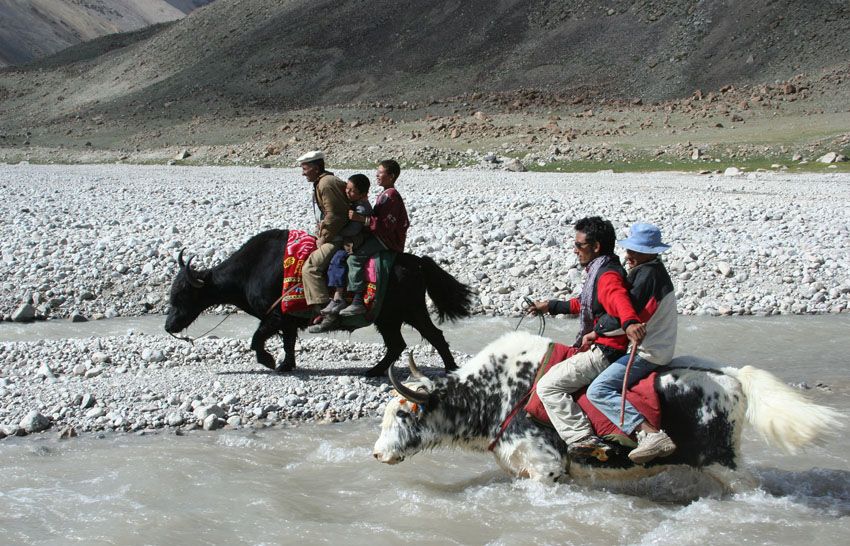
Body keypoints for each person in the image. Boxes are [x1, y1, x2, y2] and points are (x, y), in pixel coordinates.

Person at [528, 216, 645, 460]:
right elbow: (584, 304)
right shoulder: (599, 270)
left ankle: (582, 438)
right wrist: (550, 305)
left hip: (605, 351)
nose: (575, 250)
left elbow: (618, 300)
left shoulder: (607, 276)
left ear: (596, 247)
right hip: (602, 345)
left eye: (579, 245)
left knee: (547, 386)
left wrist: (630, 321)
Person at [584, 223, 678, 464]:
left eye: (635, 251)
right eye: (629, 250)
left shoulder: (647, 276)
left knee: (598, 390)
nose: (629, 256)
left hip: (649, 353)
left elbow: (629, 317)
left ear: (651, 252)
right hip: (662, 348)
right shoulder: (654, 271)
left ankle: (649, 433)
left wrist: (597, 331)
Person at [339, 159, 409, 316]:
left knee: (354, 258)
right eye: (377, 172)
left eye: (380, 172)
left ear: (390, 176)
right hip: (381, 235)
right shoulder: (385, 194)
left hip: (386, 240)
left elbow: (385, 226)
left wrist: (360, 218)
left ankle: (357, 301)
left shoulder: (391, 196)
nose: (376, 175)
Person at [308, 174, 373, 332]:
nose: (347, 192)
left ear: (363, 194)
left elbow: (354, 229)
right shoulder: (354, 203)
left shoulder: (361, 207)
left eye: (351, 191)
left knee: (338, 260)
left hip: (354, 242)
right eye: (347, 189)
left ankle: (339, 297)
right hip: (349, 238)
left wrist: (335, 232)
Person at [298, 151, 349, 319]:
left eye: (305, 168)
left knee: (310, 268)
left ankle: (324, 310)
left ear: (315, 167)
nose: (303, 173)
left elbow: (335, 215)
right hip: (333, 234)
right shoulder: (324, 182)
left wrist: (323, 238)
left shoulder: (326, 184)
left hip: (338, 238)